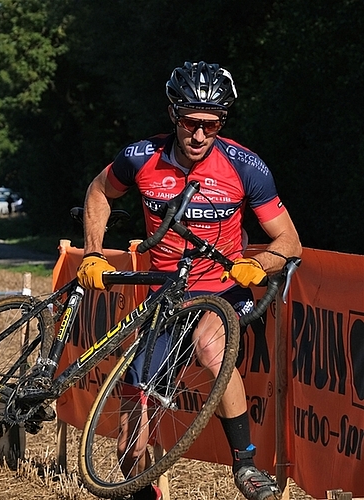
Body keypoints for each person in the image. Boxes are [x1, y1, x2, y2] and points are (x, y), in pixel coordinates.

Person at [77, 61, 301, 500]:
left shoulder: (245, 167)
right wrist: (92, 253)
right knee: (128, 441)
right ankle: (143, 493)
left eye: (211, 125)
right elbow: (99, 191)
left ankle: (246, 466)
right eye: (190, 123)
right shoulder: (141, 157)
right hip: (165, 295)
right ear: (172, 115)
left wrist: (260, 265)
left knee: (210, 347)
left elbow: (290, 242)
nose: (199, 136)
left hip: (222, 292)